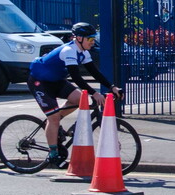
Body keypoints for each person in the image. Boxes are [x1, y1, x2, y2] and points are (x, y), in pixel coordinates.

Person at [27, 22, 123, 165]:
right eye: (90, 39)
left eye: (93, 38)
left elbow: (95, 73)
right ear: (79, 38)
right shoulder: (69, 50)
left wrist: (112, 86)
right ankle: (53, 152)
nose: (92, 42)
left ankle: (55, 124)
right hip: (39, 82)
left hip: (55, 80)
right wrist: (94, 93)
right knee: (53, 118)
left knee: (79, 99)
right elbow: (77, 78)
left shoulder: (83, 52)